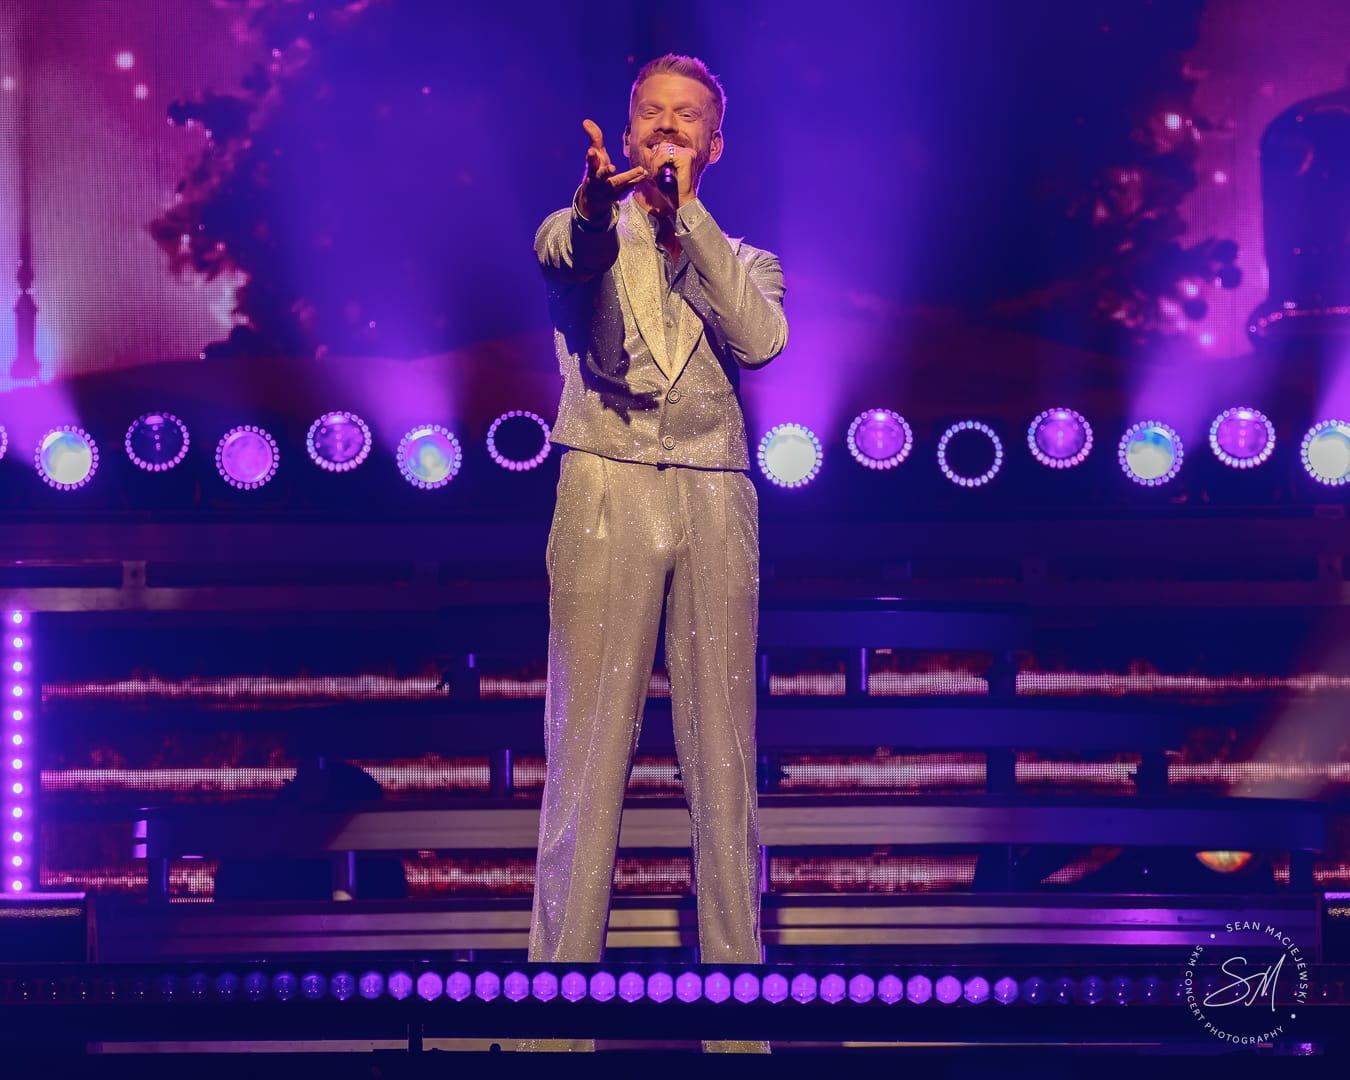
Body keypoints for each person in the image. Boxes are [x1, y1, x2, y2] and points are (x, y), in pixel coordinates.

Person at [525, 54, 787, 1050]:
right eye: (653, 115)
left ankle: (737, 1019)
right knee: (587, 754)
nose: (668, 128)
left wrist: (690, 222)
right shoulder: (577, 228)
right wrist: (599, 207)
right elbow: (570, 257)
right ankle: (557, 1020)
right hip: (607, 481)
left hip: (715, 490)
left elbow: (760, 340)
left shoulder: (745, 259)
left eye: (688, 118)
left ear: (714, 144)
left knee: (724, 760)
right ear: (629, 132)